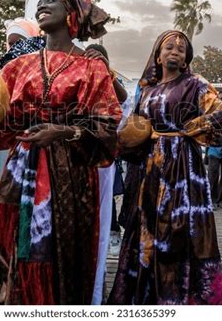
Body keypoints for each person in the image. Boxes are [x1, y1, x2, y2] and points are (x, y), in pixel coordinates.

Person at [0, 0, 122, 305]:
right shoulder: (18, 67)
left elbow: (107, 127)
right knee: (12, 245)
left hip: (69, 176)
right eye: (40, 3)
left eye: (51, 1)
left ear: (71, 13)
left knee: (57, 249)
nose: (42, 6)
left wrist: (61, 132)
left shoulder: (91, 67)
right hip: (20, 172)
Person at [108, 30, 222, 305]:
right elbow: (133, 126)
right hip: (151, 170)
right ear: (157, 54)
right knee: (148, 228)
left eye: (182, 49)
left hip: (183, 167)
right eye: (169, 47)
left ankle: (180, 297)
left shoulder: (195, 84)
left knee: (181, 230)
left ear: (186, 59)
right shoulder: (147, 90)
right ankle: (148, 298)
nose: (176, 51)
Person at [84, 43, 128, 304]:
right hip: (76, 158)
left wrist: (106, 70)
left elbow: (123, 101)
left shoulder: (111, 79)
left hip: (103, 161)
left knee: (102, 210)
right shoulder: (76, 74)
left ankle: (96, 287)